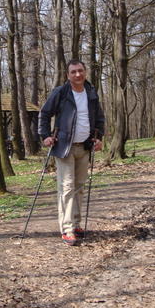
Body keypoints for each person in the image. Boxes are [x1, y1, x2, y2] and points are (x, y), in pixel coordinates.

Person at [39, 59, 105, 246]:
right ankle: (67, 229)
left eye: (80, 70)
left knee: (79, 186)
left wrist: (99, 137)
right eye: (74, 72)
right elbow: (44, 113)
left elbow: (99, 119)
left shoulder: (91, 92)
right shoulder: (61, 92)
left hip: (84, 147)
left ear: (85, 72)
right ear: (68, 75)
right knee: (67, 187)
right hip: (64, 147)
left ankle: (76, 224)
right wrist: (45, 136)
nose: (78, 74)